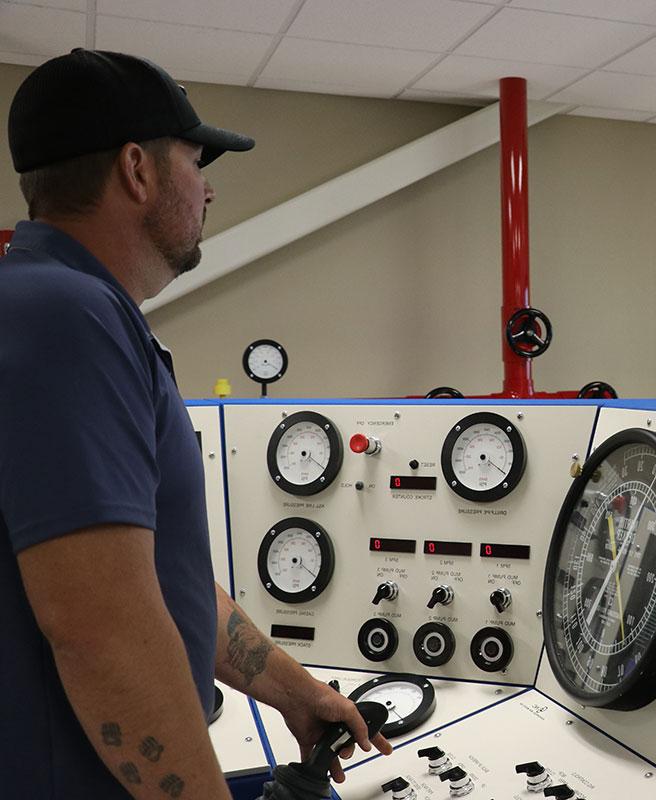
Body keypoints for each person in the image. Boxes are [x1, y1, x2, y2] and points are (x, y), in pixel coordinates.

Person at [0, 50, 391, 799]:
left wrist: (295, 692)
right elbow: (101, 630)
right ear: (138, 169)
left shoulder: (74, 310)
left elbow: (151, 582)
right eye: (194, 160)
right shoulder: (66, 318)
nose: (208, 188)